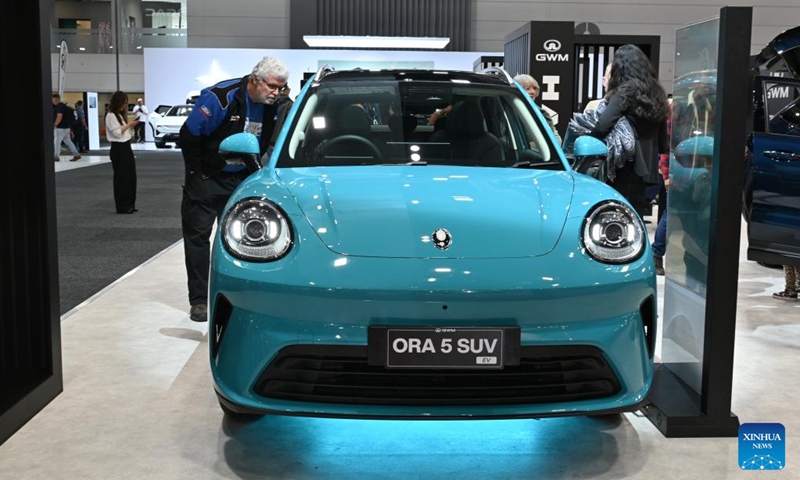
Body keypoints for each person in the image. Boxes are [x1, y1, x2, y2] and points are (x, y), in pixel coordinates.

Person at [180, 56, 290, 322]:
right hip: (207, 177)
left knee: (245, 239)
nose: (276, 93)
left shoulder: (274, 106)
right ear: (255, 80)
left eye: (280, 88)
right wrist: (196, 177)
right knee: (197, 239)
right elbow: (189, 135)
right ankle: (199, 301)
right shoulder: (221, 98)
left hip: (240, 180)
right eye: (273, 87)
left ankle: (242, 296)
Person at [589, 45, 669, 217]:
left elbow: (603, 124)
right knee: (636, 213)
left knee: (616, 213)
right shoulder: (656, 91)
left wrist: (590, 142)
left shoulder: (626, 90)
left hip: (625, 163)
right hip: (648, 164)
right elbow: (662, 136)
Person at [104, 90, 139, 214]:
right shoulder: (110, 115)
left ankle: (130, 203)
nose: (125, 106)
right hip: (118, 148)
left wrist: (131, 126)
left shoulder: (119, 115)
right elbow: (117, 133)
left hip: (126, 147)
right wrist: (129, 125)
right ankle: (122, 205)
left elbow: (126, 134)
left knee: (130, 176)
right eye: (124, 103)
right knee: (121, 178)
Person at [513, 74, 562, 145]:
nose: (532, 92)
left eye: (534, 88)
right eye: (527, 88)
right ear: (517, 90)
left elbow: (556, 139)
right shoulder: (509, 110)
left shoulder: (541, 113)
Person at [52, 93, 81, 162]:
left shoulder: (59, 107)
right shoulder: (65, 106)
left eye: (54, 100)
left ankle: (56, 156)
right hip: (67, 127)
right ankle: (76, 154)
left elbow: (59, 116)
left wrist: (54, 125)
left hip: (60, 128)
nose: (53, 101)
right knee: (68, 141)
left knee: (57, 142)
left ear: (57, 99)